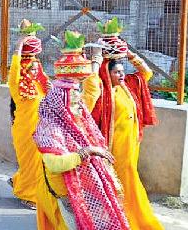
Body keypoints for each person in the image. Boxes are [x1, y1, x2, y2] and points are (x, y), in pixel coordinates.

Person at [35, 30, 129, 229]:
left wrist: (96, 61)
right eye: (74, 101)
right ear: (61, 104)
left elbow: (91, 92)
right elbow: (55, 164)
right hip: (60, 193)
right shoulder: (50, 128)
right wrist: (88, 151)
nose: (80, 105)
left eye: (78, 100)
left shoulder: (76, 120)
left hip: (80, 190)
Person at [88, 17, 163, 230]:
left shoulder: (129, 84)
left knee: (127, 180)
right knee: (121, 182)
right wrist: (97, 58)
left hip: (131, 146)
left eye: (122, 71)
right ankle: (126, 218)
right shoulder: (103, 91)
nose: (121, 75)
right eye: (116, 72)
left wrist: (129, 53)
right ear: (107, 72)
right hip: (114, 149)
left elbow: (146, 73)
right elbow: (91, 87)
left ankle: (125, 218)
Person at [6, 19, 49, 210]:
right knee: (30, 162)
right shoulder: (18, 86)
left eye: (36, 68)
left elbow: (43, 74)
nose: (35, 71)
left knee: (37, 162)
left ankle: (19, 181)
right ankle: (27, 195)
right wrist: (18, 48)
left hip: (40, 129)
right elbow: (14, 71)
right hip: (25, 130)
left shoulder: (39, 85)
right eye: (31, 69)